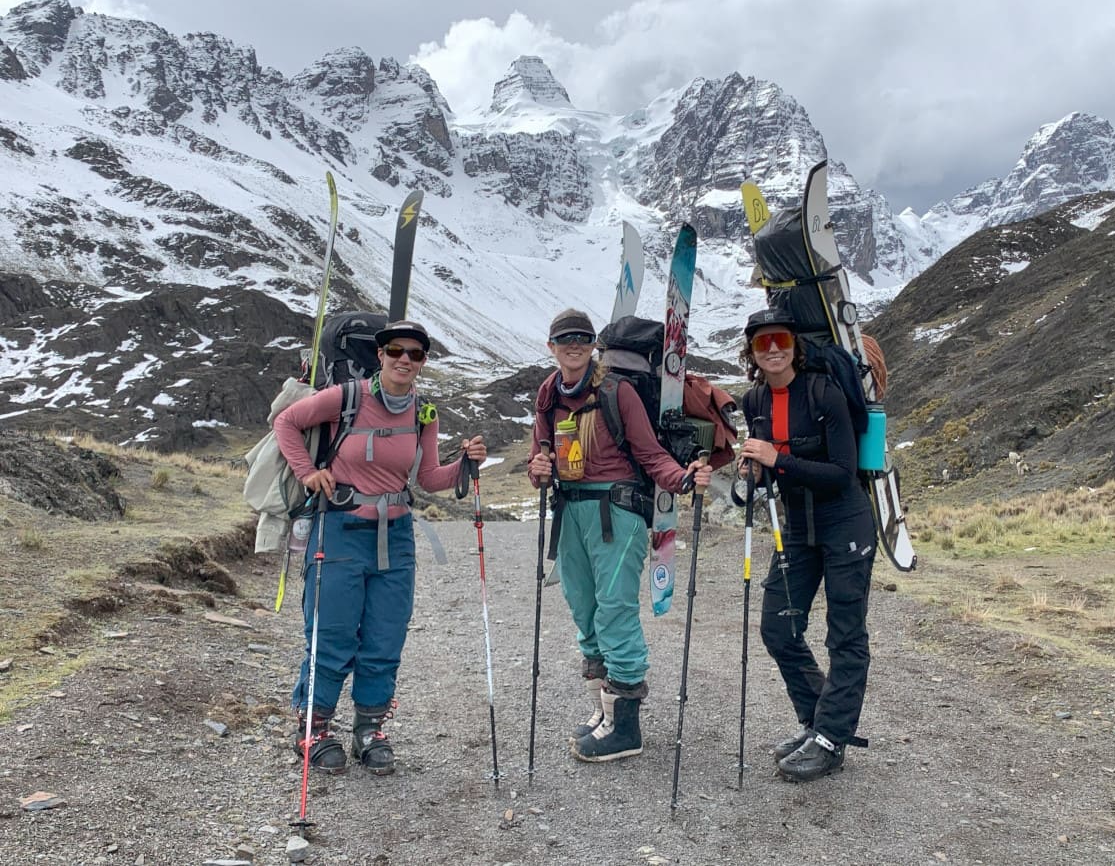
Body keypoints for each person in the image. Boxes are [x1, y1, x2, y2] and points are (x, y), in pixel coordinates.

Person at [275, 319, 487, 776]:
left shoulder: (423, 413)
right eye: (396, 351)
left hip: (397, 538)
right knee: (331, 635)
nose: (405, 360)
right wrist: (307, 473)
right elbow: (287, 422)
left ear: (424, 361)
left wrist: (463, 466)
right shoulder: (347, 397)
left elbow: (427, 479)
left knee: (385, 638)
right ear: (381, 354)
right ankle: (313, 728)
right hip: (338, 528)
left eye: (416, 354)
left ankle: (369, 730)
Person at [527, 308, 712, 763]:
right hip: (570, 511)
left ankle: (626, 730)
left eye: (582, 337)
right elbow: (540, 457)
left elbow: (650, 454)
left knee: (615, 612)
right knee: (585, 611)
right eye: (564, 338)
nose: (573, 344)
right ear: (551, 347)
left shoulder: (618, 390)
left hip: (619, 512)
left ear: (594, 345)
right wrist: (538, 470)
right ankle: (604, 713)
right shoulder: (549, 394)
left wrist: (683, 478)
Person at [737, 308, 876, 782]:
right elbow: (769, 470)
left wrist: (777, 459)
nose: (772, 349)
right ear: (752, 353)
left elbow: (842, 472)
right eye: (762, 343)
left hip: (845, 523)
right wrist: (756, 471)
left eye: (780, 339)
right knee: (778, 629)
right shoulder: (754, 399)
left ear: (794, 344)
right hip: (796, 528)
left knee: (846, 635)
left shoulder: (824, 393)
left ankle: (831, 740)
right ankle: (819, 722)